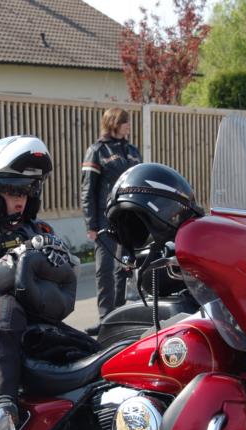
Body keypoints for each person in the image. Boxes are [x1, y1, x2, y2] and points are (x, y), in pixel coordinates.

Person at [0, 135, 80, 422]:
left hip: (36, 311)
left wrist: (54, 257)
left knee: (83, 347)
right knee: (2, 307)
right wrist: (23, 256)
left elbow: (72, 267)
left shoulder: (36, 229)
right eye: (13, 191)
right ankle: (1, 404)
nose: (20, 200)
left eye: (26, 192)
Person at [80, 107, 142, 335]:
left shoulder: (132, 151)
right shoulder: (97, 151)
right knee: (104, 269)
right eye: (125, 122)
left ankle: (118, 315)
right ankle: (105, 319)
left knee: (123, 268)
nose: (129, 125)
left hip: (128, 219)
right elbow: (87, 189)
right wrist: (91, 224)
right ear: (114, 123)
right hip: (104, 220)